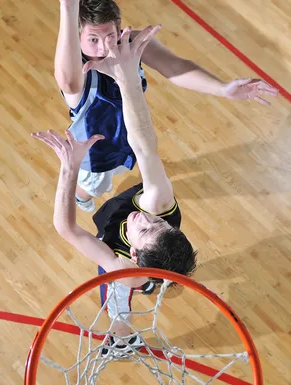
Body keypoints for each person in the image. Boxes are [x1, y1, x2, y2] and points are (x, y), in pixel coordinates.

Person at [33, 25, 197, 355]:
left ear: (134, 254)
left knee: (115, 299)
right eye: (159, 223)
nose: (144, 217)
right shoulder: (158, 203)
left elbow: (66, 229)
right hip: (125, 232)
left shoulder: (125, 268)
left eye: (145, 228)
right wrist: (127, 81)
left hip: (129, 270)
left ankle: (122, 338)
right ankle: (162, 278)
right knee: (120, 198)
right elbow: (145, 146)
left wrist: (70, 168)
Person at [53, 0, 279, 212]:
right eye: (93, 39)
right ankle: (79, 197)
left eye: (110, 36)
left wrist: (222, 88)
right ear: (77, 36)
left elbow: (175, 66)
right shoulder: (79, 70)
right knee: (93, 186)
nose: (104, 47)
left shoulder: (131, 44)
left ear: (119, 28)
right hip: (97, 153)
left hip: (133, 136)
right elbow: (68, 82)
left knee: (132, 164)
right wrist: (67, 5)